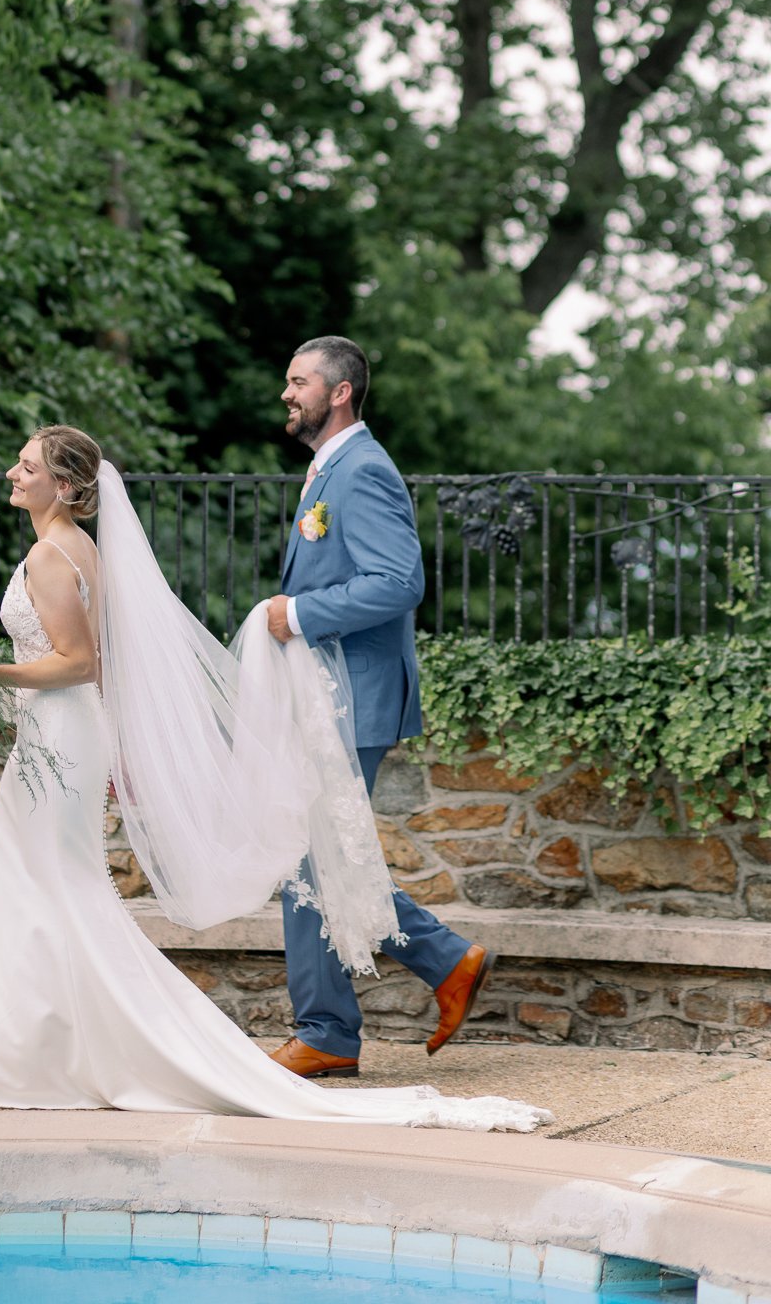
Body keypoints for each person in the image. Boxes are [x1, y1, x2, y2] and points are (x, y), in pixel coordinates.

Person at [0, 422, 548, 1133]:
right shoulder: (84, 549)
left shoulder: (50, 555)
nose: (12, 472)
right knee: (52, 885)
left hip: (68, 735)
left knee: (55, 882)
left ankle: (47, 1050)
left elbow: (78, 662)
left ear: (63, 486)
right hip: (64, 735)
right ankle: (36, 1047)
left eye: (26, 465)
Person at [265, 336, 496, 1079]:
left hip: (353, 698)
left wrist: (297, 616)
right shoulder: (328, 469)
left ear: (339, 392)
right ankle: (438, 963)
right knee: (320, 857)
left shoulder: (361, 470)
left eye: (298, 382)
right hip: (330, 697)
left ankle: (330, 1028)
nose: (286, 394)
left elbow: (398, 583)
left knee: (311, 859)